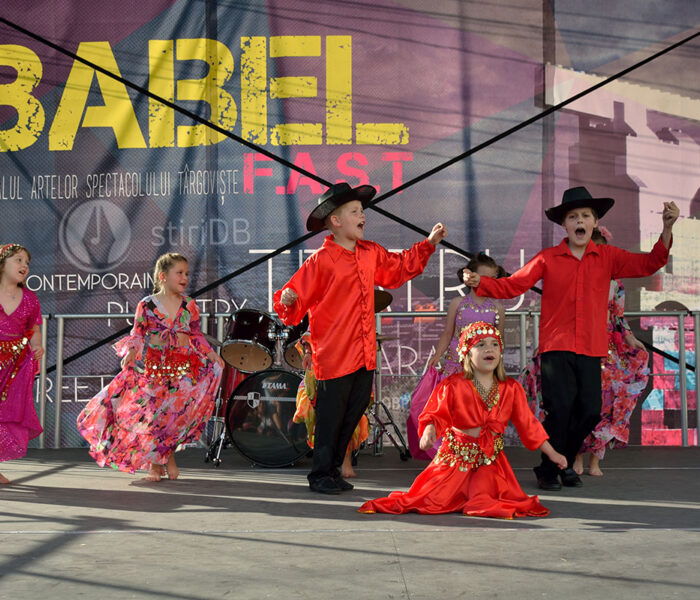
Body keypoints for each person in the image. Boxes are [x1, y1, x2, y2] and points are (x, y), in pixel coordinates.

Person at [464, 186, 679, 491]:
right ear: (564, 225)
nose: (580, 221)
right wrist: (481, 282)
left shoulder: (608, 256)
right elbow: (513, 285)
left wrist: (667, 228)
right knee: (560, 409)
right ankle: (553, 470)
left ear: (594, 223)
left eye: (586, 216)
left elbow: (650, 263)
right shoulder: (548, 257)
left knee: (590, 409)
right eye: (573, 216)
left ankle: (557, 460)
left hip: (591, 348)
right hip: (556, 347)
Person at [274, 182, 447, 494]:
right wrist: (288, 301)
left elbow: (399, 269)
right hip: (334, 353)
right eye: (355, 211)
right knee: (330, 418)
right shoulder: (321, 260)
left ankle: (334, 469)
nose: (362, 216)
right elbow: (294, 296)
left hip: (365, 351)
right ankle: (320, 474)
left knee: (352, 415)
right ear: (336, 221)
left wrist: (429, 244)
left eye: (362, 211)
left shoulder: (370, 253)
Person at [358, 321, 566, 518]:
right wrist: (429, 432)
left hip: (489, 461)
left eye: (495, 344)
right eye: (481, 345)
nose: (489, 349)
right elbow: (435, 414)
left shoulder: (511, 388)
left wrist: (553, 454)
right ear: (467, 353)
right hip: (455, 459)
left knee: (483, 499)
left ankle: (478, 495)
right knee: (429, 500)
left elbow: (529, 425)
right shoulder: (453, 385)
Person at [77, 253, 224, 481]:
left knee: (175, 416)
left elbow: (196, 335)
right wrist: (131, 352)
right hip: (156, 369)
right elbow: (137, 333)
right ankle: (157, 463)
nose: (185, 277)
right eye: (179, 273)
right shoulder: (147, 305)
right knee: (155, 415)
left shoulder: (189, 305)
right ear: (163, 276)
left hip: (183, 368)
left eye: (187, 273)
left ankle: (167, 457)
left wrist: (211, 353)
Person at [521, 228, 651, 477]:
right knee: (564, 406)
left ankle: (582, 460)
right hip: (565, 344)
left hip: (603, 348)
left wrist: (630, 337)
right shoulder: (556, 262)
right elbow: (527, 290)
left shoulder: (616, 280)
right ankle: (566, 461)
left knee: (596, 408)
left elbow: (618, 316)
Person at [407, 252, 505, 460]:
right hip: (454, 367)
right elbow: (447, 333)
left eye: (491, 278)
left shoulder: (497, 308)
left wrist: (497, 369)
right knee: (449, 411)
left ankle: (474, 454)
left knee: (477, 413)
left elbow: (499, 341)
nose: (485, 282)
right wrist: (438, 355)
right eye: (482, 277)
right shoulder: (458, 303)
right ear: (468, 276)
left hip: (482, 373)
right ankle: (447, 453)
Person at [293, 331, 369, 478]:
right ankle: (324, 465)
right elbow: (311, 331)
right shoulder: (322, 310)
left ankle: (344, 462)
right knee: (321, 418)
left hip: (349, 366)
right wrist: (308, 352)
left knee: (349, 415)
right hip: (322, 370)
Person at [0, 244, 44, 485]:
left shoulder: (29, 299)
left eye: (26, 262)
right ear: (2, 264)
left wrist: (37, 346)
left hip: (15, 367)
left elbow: (33, 329)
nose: (24, 265)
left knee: (5, 415)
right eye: (18, 260)